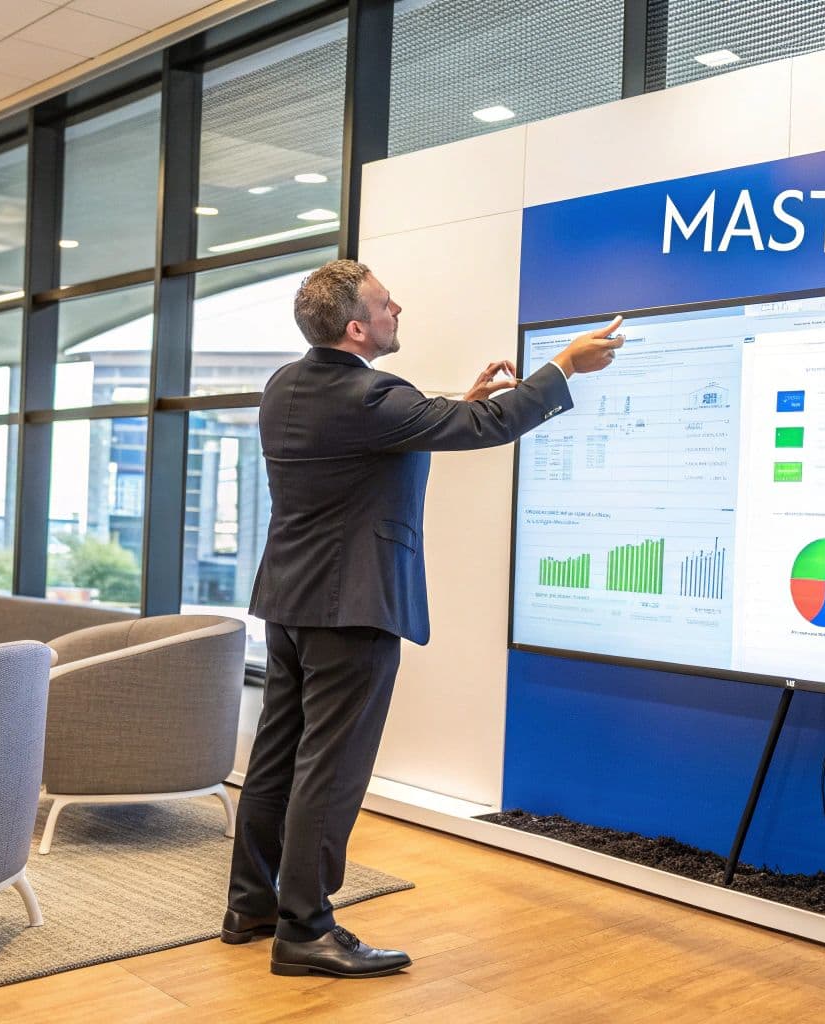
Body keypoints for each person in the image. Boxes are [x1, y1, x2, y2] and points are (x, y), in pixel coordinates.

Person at [224, 259, 624, 979]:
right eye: (385, 303)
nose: (397, 308)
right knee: (331, 769)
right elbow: (489, 425)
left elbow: (379, 440)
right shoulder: (372, 394)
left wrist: (456, 404)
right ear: (356, 327)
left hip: (289, 601)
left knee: (278, 759)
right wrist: (564, 366)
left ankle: (253, 903)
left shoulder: (287, 385)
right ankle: (305, 929)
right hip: (351, 606)